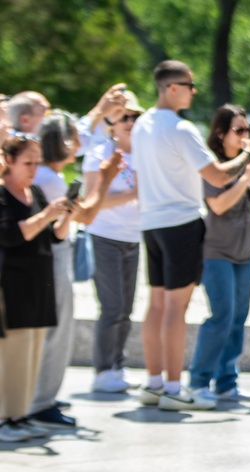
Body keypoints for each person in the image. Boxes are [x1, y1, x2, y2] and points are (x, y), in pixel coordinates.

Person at [131, 60, 250, 411]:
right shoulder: (180, 128)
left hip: (151, 223)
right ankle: (174, 388)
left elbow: (140, 179)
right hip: (181, 223)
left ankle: (154, 383)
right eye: (189, 85)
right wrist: (249, 155)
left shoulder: (140, 125)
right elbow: (218, 177)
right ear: (172, 87)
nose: (194, 90)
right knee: (176, 307)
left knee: (156, 304)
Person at [29, 111, 114, 428]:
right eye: (75, 138)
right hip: (53, 257)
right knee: (57, 333)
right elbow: (87, 216)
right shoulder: (50, 180)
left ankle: (34, 397)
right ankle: (41, 402)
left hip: (39, 259)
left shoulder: (39, 174)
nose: (79, 144)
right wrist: (105, 178)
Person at [187, 105, 250, 402]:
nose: (246, 136)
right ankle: (199, 381)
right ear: (221, 134)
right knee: (221, 316)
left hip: (244, 251)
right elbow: (219, 205)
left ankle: (227, 382)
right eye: (239, 131)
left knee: (238, 317)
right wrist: (247, 172)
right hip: (216, 251)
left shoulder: (246, 166)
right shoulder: (213, 166)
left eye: (248, 130)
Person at [0, 134, 73, 442]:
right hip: (12, 286)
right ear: (9, 162)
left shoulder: (38, 192)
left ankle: (21, 415)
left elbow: (53, 237)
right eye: (26, 163)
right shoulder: (3, 197)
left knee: (32, 353)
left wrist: (65, 215)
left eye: (36, 163)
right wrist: (46, 215)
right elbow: (11, 236)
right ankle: (4, 419)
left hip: (37, 285)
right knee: (12, 355)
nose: (32, 169)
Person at [85, 91, 144, 393]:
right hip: (104, 236)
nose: (130, 122)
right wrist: (136, 193)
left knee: (126, 309)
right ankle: (102, 369)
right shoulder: (99, 153)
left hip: (133, 237)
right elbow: (95, 201)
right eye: (124, 116)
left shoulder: (145, 154)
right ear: (112, 121)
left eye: (134, 116)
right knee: (112, 307)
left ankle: (117, 366)